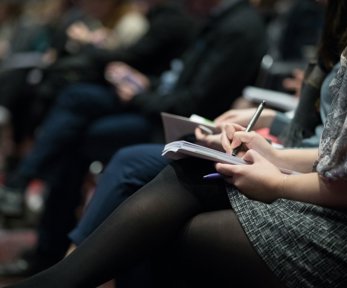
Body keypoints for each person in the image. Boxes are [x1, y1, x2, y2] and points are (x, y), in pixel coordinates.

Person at [4, 29, 347, 288]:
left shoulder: (233, 26)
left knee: (159, 212)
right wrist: (273, 153)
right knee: (182, 164)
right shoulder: (336, 31)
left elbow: (339, 179)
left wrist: (279, 181)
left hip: (334, 226)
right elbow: (334, 153)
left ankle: (61, 272)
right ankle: (61, 271)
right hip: (309, 178)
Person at [0, 0, 267, 278]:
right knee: (75, 104)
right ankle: (56, 255)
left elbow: (193, 102)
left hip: (187, 127)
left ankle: (62, 261)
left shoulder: (235, 27)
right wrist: (145, 84)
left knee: (95, 142)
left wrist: (140, 95)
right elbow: (178, 81)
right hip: (164, 108)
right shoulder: (216, 18)